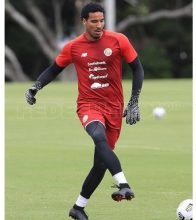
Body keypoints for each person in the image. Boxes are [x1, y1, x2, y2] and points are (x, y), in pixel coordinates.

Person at [24, 3, 144, 220]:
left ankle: (78, 208)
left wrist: (134, 101)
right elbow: (54, 69)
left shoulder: (118, 40)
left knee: (100, 163)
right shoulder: (73, 47)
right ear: (84, 22)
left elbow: (137, 68)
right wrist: (36, 87)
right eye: (94, 21)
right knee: (98, 137)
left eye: (101, 20)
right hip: (89, 105)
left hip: (115, 109)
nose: (99, 25)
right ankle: (124, 185)